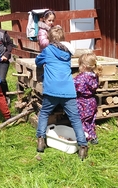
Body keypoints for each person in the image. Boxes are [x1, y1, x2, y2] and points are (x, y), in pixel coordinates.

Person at [35, 25, 88, 160]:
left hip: (51, 89)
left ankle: (41, 140)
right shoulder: (68, 53)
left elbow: (38, 61)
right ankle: (82, 146)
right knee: (75, 118)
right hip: (68, 91)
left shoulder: (48, 50)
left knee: (44, 113)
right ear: (63, 38)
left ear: (50, 39)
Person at [74, 52, 99, 145]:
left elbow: (76, 87)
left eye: (79, 65)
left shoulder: (81, 77)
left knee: (82, 120)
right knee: (90, 120)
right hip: (92, 101)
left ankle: (84, 137)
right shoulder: (94, 75)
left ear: (83, 66)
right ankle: (93, 136)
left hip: (82, 102)